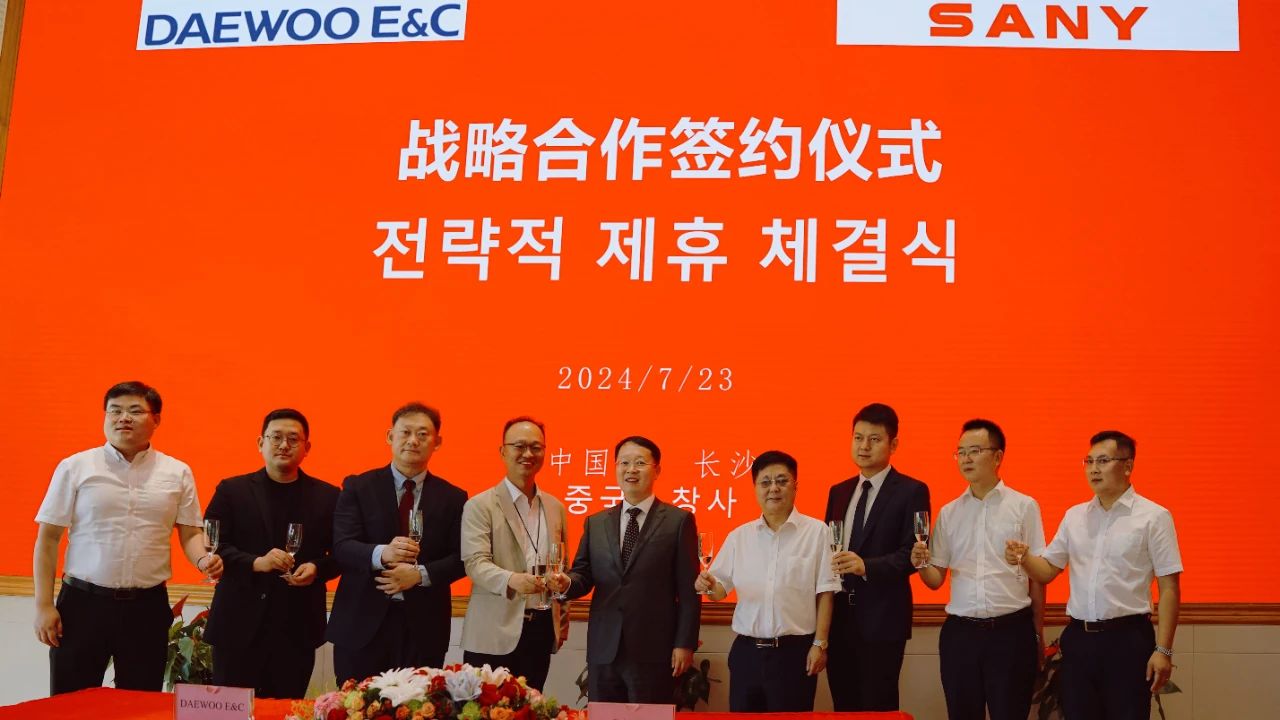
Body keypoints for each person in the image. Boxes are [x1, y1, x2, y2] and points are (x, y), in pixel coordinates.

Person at [32, 381, 223, 695]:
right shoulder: (75, 467)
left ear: (155, 419)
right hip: (82, 605)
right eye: (115, 411)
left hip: (146, 608)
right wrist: (43, 605)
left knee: (139, 704)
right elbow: (48, 538)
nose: (123, 418)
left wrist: (203, 559)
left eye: (135, 411)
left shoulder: (177, 472)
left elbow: (189, 532)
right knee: (70, 705)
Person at [1007, 430, 1182, 720]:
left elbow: (1169, 588)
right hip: (1080, 640)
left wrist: (1163, 650)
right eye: (1088, 461)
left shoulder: (1153, 517)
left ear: (1128, 466)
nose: (1093, 469)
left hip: (1127, 640)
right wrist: (1023, 558)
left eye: (1103, 461)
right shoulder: (1075, 516)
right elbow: (1048, 570)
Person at [202, 408, 341, 698]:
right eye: (275, 437)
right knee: (232, 711)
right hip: (238, 626)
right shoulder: (232, 490)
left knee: (285, 710)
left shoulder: (328, 496)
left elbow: (342, 552)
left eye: (293, 439)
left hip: (297, 627)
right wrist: (256, 562)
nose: (284, 445)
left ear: (307, 447)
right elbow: (213, 544)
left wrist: (317, 568)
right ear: (260, 443)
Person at [551, 436, 700, 703]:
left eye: (640, 463)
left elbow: (690, 591)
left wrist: (684, 643)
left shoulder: (678, 521)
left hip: (654, 650)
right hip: (604, 650)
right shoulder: (596, 522)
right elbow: (582, 574)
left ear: (657, 470)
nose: (631, 469)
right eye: (624, 463)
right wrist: (566, 583)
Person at [913, 419, 1045, 720]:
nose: (966, 459)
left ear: (997, 457)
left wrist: (1037, 632)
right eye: (960, 452)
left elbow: (1039, 574)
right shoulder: (949, 513)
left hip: (1011, 632)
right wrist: (920, 562)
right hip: (961, 635)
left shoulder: (1024, 506)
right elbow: (935, 579)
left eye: (974, 451)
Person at [326, 402, 467, 684]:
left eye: (423, 434)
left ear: (437, 442)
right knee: (355, 704)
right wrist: (383, 554)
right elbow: (342, 546)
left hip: (423, 627)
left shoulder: (454, 497)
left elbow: (462, 558)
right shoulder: (358, 486)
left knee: (419, 704)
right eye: (406, 432)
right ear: (390, 436)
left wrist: (419, 575)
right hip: (361, 624)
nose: (413, 440)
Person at [696, 450, 838, 712]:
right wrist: (707, 585)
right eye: (765, 482)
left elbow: (826, 592)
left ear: (795, 485)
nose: (774, 488)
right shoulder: (739, 536)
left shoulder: (818, 532)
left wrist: (820, 644)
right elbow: (719, 591)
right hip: (746, 653)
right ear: (755, 488)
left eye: (782, 481)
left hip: (794, 653)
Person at [825, 402, 930, 711]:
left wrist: (865, 566)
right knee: (843, 706)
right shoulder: (838, 491)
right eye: (858, 438)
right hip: (839, 619)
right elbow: (828, 547)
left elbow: (912, 554)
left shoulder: (911, 491)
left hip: (883, 620)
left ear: (893, 444)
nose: (864, 446)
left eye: (874, 439)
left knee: (878, 706)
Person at [460, 417, 570, 691]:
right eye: (519, 446)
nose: (528, 454)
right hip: (492, 633)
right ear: (503, 451)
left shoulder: (555, 507)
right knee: (485, 709)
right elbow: (475, 563)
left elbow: (562, 565)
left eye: (536, 447)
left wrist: (562, 615)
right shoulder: (480, 505)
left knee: (533, 707)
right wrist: (512, 580)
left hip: (541, 630)